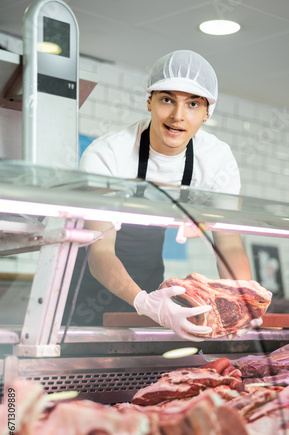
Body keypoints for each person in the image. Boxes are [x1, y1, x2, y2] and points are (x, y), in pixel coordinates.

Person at [64, 50, 257, 340]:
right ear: (149, 101)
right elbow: (101, 251)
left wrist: (242, 301)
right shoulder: (108, 155)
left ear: (207, 113)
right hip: (91, 280)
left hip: (150, 271)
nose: (177, 116)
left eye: (192, 104)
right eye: (167, 100)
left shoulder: (217, 160)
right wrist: (143, 302)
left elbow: (228, 243)